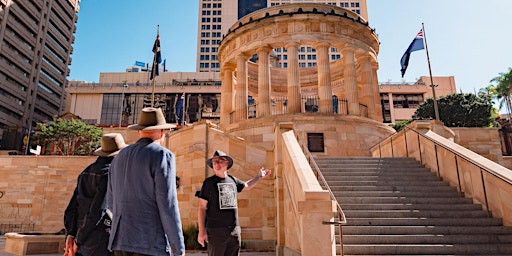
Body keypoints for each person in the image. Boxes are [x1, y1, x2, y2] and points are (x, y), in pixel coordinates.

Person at [107, 107, 185, 256]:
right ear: (162, 132)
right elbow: (168, 205)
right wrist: (178, 248)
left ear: (139, 131)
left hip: (120, 241)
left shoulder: (119, 156)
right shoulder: (162, 155)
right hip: (150, 243)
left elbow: (111, 201)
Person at [196, 150, 271, 256]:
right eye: (214, 162)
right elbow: (202, 208)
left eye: (220, 161)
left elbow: (247, 185)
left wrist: (259, 176)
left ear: (226, 163)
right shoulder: (208, 183)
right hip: (216, 231)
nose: (217, 164)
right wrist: (201, 232)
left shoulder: (232, 180)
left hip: (234, 231)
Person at [64, 133, 127, 256]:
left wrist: (71, 235)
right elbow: (98, 210)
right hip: (100, 238)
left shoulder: (85, 172)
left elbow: (71, 209)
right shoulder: (109, 174)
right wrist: (77, 241)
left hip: (81, 237)